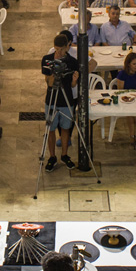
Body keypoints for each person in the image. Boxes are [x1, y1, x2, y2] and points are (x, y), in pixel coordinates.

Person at [40, 34, 81, 172]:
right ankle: (52, 156)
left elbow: (73, 85)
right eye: (56, 49)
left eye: (62, 50)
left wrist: (74, 80)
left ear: (67, 47)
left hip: (66, 100)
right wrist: (55, 68)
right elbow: (49, 82)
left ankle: (64, 154)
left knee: (65, 128)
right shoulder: (47, 60)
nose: (58, 52)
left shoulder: (72, 62)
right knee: (50, 129)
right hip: (51, 99)